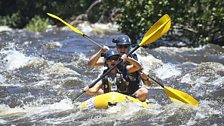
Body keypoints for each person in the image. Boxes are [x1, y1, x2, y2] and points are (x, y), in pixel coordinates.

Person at [87, 35, 152, 102]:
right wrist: (100, 51)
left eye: (125, 47)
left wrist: (145, 79)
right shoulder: (111, 59)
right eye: (120, 46)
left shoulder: (137, 60)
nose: (122, 49)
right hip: (115, 91)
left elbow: (148, 85)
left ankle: (132, 102)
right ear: (117, 47)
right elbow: (90, 64)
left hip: (132, 93)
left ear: (129, 47)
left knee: (144, 91)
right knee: (97, 90)